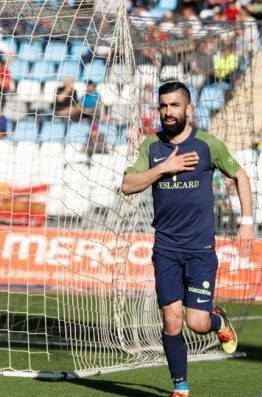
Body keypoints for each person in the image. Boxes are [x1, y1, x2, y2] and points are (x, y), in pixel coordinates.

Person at [121, 80, 254, 397]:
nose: (168, 112)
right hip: (165, 249)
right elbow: (127, 185)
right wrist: (163, 169)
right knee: (171, 321)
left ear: (189, 109)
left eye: (174, 105)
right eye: (163, 106)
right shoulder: (151, 147)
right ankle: (180, 387)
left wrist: (246, 222)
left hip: (200, 250)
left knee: (196, 322)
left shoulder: (207, 145)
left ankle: (217, 321)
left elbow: (240, 176)